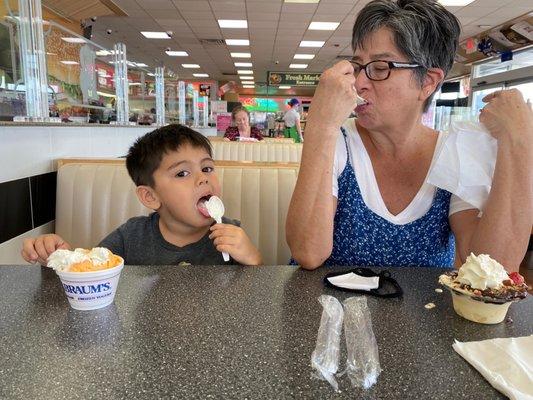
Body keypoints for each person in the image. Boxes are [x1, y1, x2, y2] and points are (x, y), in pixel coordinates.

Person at [286, 0, 532, 271]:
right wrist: (321, 124)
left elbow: (493, 267)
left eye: (380, 68)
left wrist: (519, 141)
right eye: (358, 66)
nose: (358, 83)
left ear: (427, 82)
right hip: (328, 310)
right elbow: (308, 252)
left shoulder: (454, 154)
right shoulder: (338, 142)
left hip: (422, 313)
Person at [21, 124, 263, 266]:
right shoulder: (130, 237)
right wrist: (59, 256)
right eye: (182, 173)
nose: (203, 178)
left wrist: (252, 257)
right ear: (150, 197)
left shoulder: (230, 233)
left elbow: (255, 295)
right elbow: (93, 269)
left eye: (207, 168)